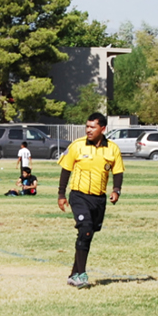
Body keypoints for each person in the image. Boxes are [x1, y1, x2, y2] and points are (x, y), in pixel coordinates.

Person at [57, 112, 124, 289]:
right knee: (85, 228)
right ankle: (81, 274)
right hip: (79, 196)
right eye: (87, 126)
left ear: (103, 129)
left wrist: (116, 190)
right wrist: (61, 195)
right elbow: (66, 170)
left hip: (98, 199)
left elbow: (118, 172)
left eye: (93, 127)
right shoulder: (77, 146)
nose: (89, 130)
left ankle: (73, 274)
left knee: (87, 234)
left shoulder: (112, 149)